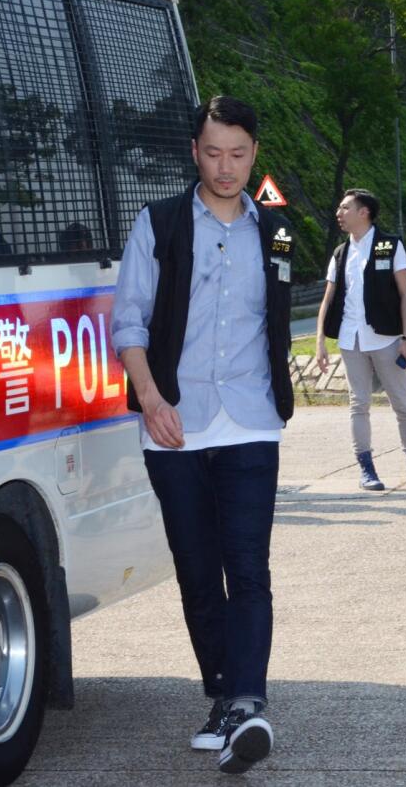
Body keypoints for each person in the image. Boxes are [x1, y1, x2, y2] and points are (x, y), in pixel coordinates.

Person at [111, 95, 293, 774]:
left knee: (247, 566)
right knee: (196, 569)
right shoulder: (158, 223)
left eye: (239, 154)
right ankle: (222, 696)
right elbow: (129, 320)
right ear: (194, 151)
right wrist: (151, 397)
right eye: (213, 152)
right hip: (174, 424)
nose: (226, 166)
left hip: (251, 420)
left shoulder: (276, 230)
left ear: (254, 153)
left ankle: (247, 702)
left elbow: (275, 319)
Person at [314, 188, 406, 490]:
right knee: (358, 404)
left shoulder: (390, 245)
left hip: (386, 338)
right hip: (351, 339)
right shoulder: (340, 252)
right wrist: (320, 340)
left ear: (364, 212)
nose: (339, 213)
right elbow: (328, 298)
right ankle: (366, 469)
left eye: (345, 208)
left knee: (403, 405)